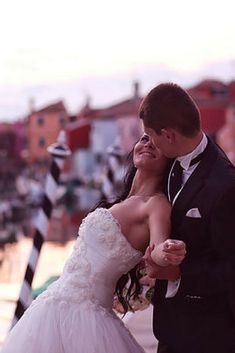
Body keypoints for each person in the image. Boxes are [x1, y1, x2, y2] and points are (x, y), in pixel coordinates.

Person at [1, 135, 186, 353]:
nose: (148, 144)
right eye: (145, 138)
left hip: (87, 318)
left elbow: (158, 249)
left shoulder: (156, 205)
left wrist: (167, 251)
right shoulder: (123, 201)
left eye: (157, 144)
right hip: (51, 306)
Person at [140, 82, 235, 353]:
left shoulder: (226, 187)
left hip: (208, 337)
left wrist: (181, 273)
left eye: (150, 135)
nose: (148, 143)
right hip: (168, 331)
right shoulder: (166, 159)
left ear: (168, 135)